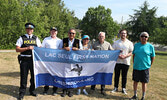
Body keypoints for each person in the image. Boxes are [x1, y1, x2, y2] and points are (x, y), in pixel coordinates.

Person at [16, 23, 42, 100]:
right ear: (26, 29)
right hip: (24, 60)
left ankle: (32, 90)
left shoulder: (36, 38)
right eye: (28, 29)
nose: (29, 30)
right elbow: (17, 49)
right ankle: (22, 93)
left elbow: (40, 48)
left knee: (33, 77)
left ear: (33, 30)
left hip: (33, 60)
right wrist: (27, 48)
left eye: (31, 29)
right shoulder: (22, 38)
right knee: (24, 77)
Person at [131, 32, 155, 100]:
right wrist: (134, 62)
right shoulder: (136, 45)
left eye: (145, 36)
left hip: (145, 67)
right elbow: (134, 55)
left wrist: (149, 65)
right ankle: (135, 95)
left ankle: (143, 97)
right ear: (140, 37)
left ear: (147, 38)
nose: (144, 38)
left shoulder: (150, 46)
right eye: (142, 36)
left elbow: (153, 57)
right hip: (136, 67)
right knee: (135, 81)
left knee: (144, 83)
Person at [59, 29, 83, 97]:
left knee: (72, 75)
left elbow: (81, 50)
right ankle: (64, 90)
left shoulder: (78, 41)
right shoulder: (63, 40)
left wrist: (77, 49)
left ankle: (70, 91)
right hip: (65, 61)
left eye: (73, 33)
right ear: (68, 33)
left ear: (75, 34)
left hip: (74, 61)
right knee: (64, 75)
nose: (71, 34)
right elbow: (58, 49)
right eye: (70, 33)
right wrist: (64, 48)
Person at [90, 32, 113, 96]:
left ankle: (102, 90)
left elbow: (112, 51)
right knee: (94, 75)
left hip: (104, 64)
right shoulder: (95, 44)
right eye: (100, 36)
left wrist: (118, 52)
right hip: (96, 63)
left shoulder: (108, 44)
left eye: (102, 36)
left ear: (104, 37)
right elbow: (91, 50)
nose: (101, 37)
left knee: (103, 76)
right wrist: (91, 50)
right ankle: (92, 88)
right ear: (98, 37)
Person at [111, 29, 133, 95]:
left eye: (124, 33)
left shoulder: (129, 43)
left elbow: (131, 52)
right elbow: (112, 51)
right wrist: (118, 55)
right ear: (120, 34)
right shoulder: (116, 42)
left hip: (126, 62)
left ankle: (123, 88)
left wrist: (125, 56)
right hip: (117, 61)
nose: (123, 34)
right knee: (116, 75)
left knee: (124, 76)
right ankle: (115, 87)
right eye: (122, 33)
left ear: (126, 34)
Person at [42, 27, 62, 95]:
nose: (53, 32)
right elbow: (42, 49)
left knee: (55, 75)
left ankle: (55, 90)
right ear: (50, 32)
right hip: (47, 61)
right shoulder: (46, 39)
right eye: (52, 31)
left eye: (55, 31)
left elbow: (61, 50)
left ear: (57, 32)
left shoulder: (60, 40)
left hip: (56, 61)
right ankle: (46, 89)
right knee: (47, 75)